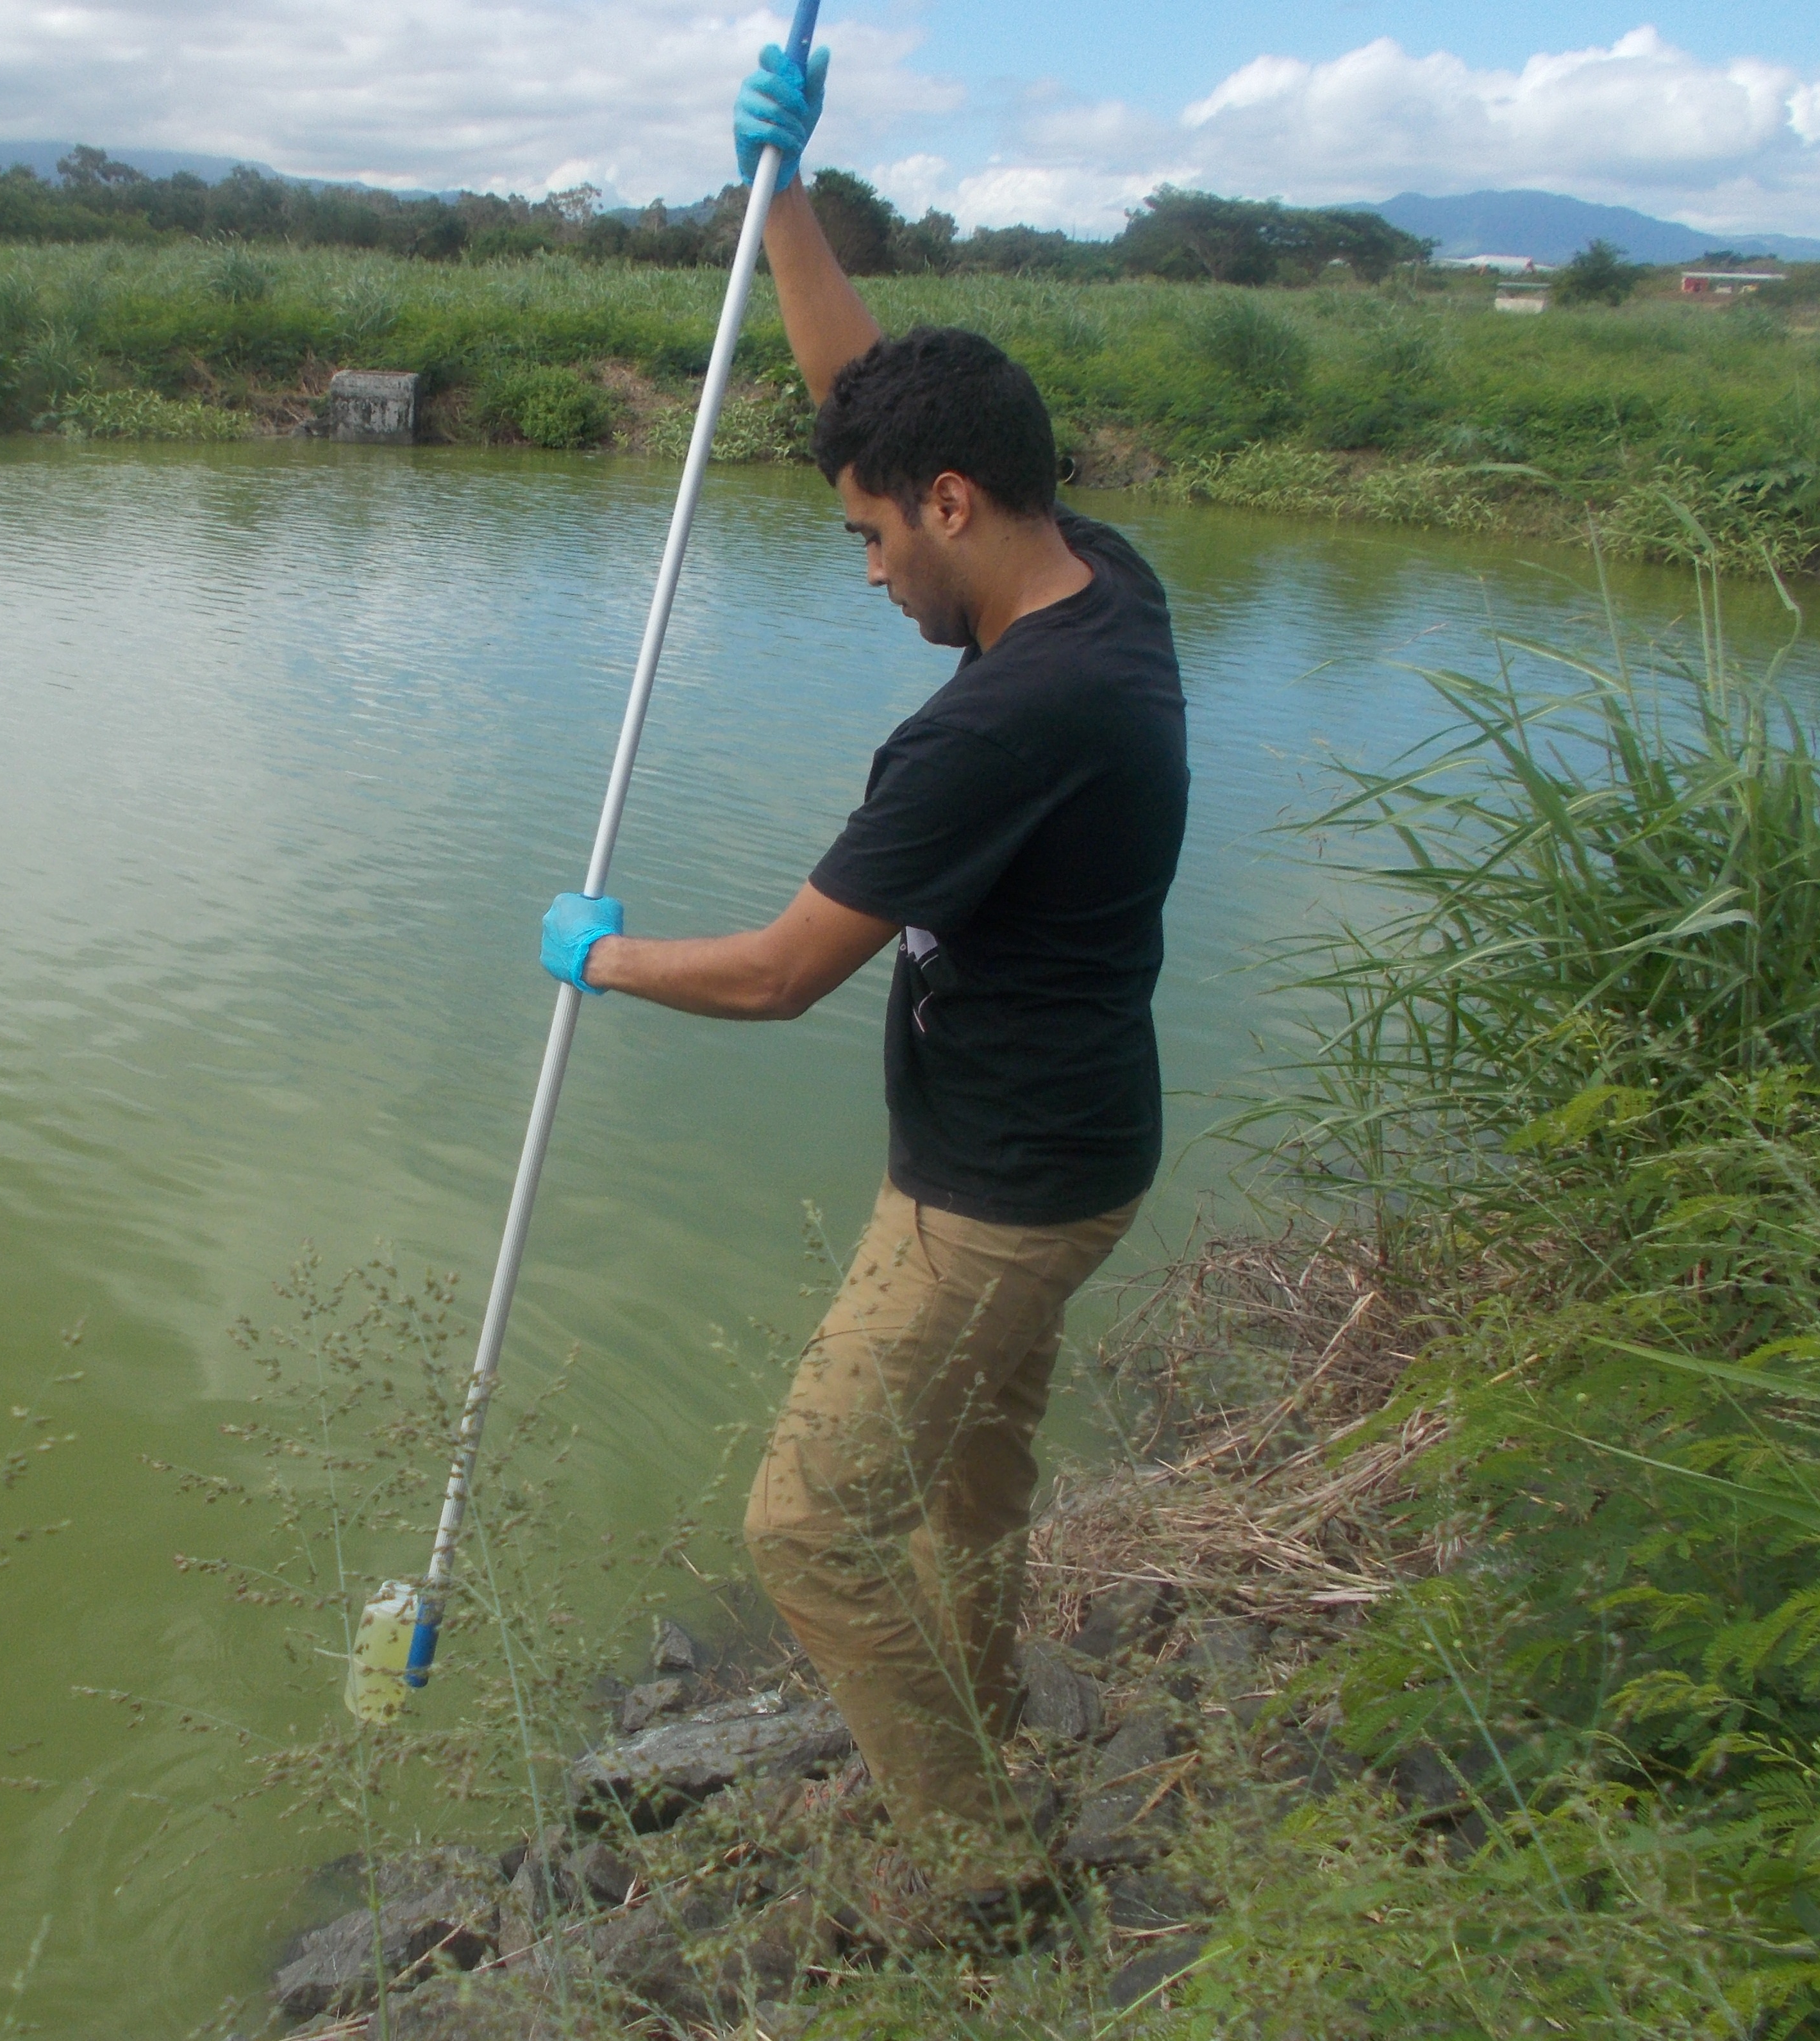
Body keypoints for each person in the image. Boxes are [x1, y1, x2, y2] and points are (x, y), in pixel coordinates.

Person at [540, 45, 1189, 1901]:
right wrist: (792, 196)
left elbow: (774, 979)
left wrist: (603, 958)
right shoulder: (1100, 583)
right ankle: (985, 1732)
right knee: (972, 1491)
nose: (871, 572)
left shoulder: (996, 729)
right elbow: (867, 409)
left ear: (956, 508)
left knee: (814, 1532)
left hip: (993, 1195)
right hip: (1073, 1153)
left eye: (871, 541)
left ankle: (977, 1864)